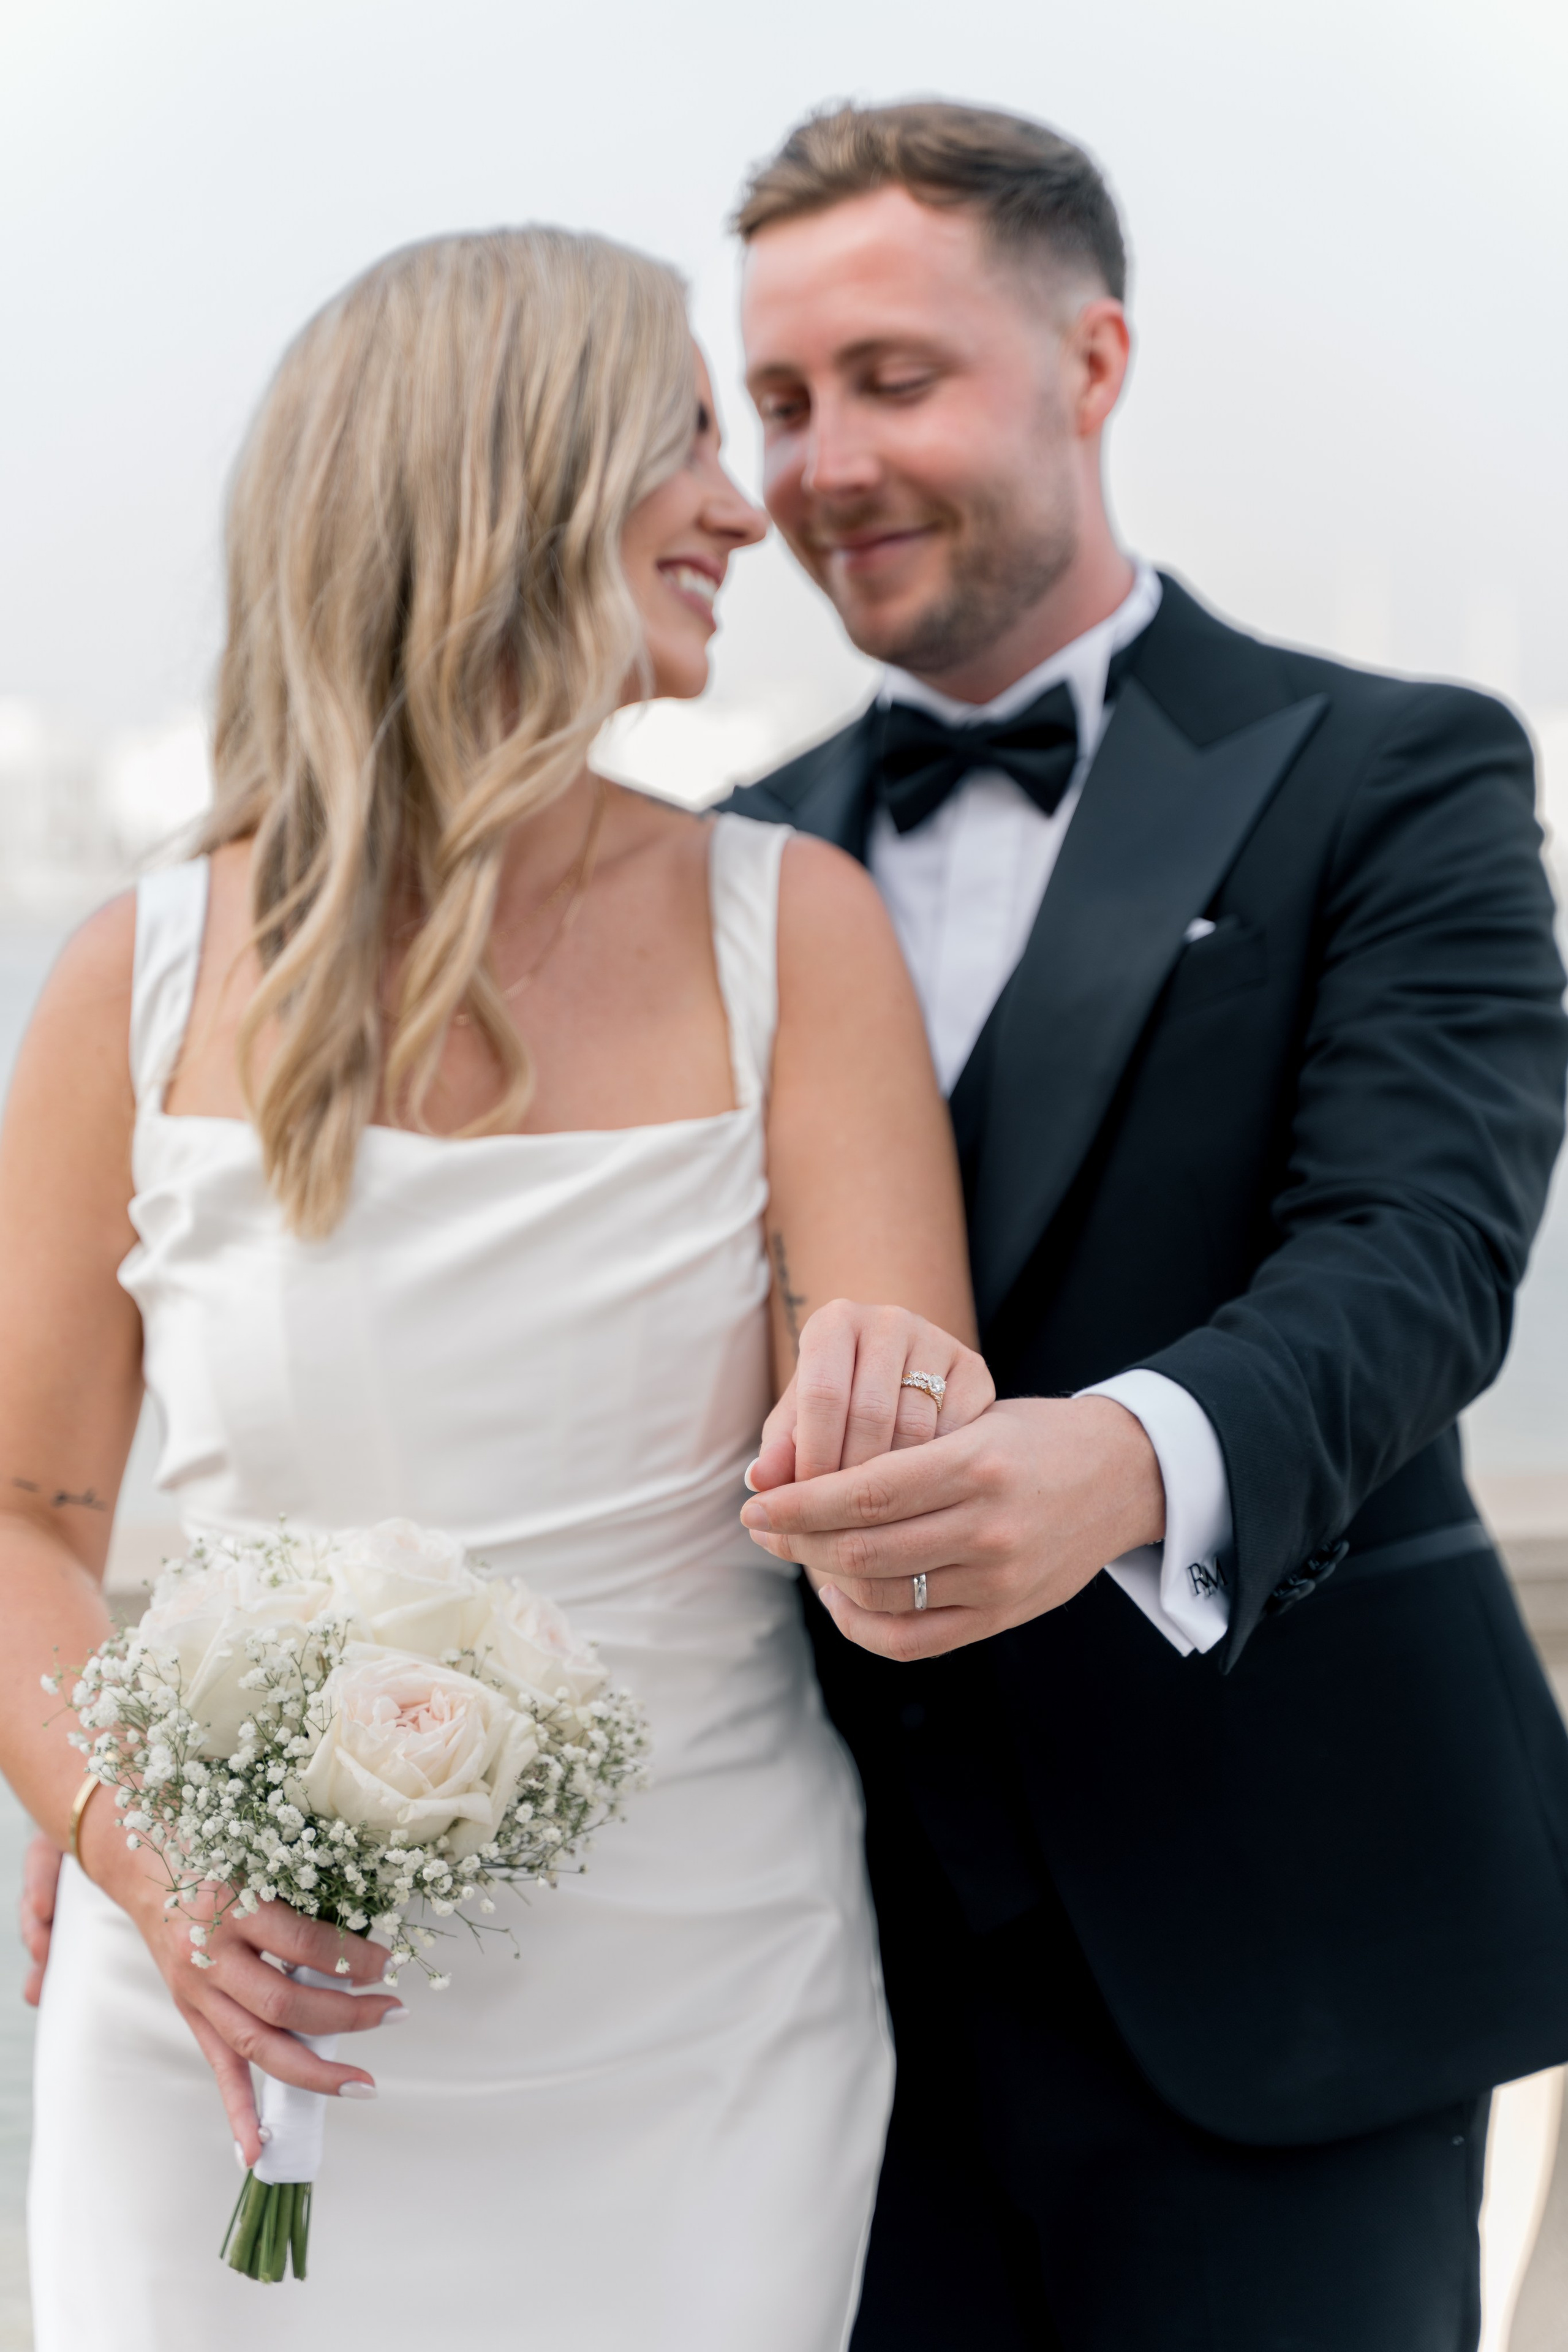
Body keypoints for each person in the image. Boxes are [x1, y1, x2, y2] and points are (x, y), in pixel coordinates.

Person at [1, 226, 993, 2351]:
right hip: (226, 1999)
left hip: (699, 2006)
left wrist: (900, 1418)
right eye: (693, 439)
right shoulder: (135, 973)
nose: (750, 508)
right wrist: (131, 1850)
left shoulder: (795, 933)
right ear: (510, 468)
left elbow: (898, 1445)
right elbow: (24, 1516)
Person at [723, 102, 1568, 2351]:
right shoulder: (722, 865)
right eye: (782, 402)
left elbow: (1420, 1249)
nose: (823, 463)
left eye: (893, 377)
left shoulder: (1396, 768)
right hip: (829, 1992)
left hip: (1293, 1942)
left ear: (1090, 366)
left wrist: (1117, 1460)